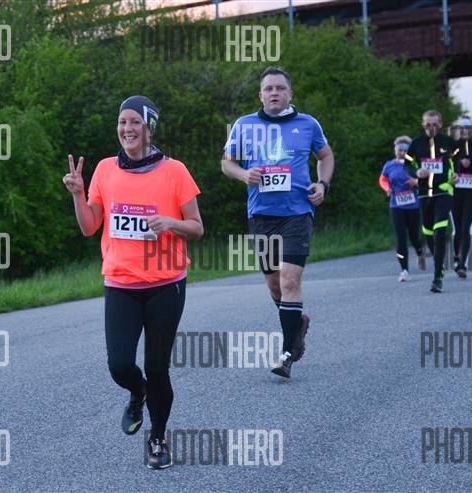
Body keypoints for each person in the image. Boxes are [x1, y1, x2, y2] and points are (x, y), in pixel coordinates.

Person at [63, 95, 203, 469]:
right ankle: (137, 392)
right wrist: (78, 194)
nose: (127, 129)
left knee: (157, 369)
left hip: (165, 284)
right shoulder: (105, 170)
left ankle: (157, 438)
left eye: (135, 122)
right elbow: (89, 227)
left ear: (149, 128)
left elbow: (197, 227)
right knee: (120, 365)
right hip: (121, 283)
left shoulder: (175, 171)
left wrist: (171, 223)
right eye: (122, 122)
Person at [221, 66, 335, 379]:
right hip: (261, 215)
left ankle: (286, 354)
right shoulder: (244, 125)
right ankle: (297, 323)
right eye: (269, 89)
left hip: (297, 212)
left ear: (290, 93)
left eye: (280, 88)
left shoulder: (308, 124)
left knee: (290, 280)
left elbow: (326, 156)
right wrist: (244, 174)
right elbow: (227, 163)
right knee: (274, 283)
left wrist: (322, 184)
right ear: (260, 95)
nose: (274, 93)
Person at [405, 110, 459, 293]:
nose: (431, 128)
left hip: (443, 191)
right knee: (428, 233)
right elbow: (406, 165)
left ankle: (437, 277)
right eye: (428, 124)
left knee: (439, 231)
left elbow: (458, 159)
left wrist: (457, 174)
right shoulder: (416, 144)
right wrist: (416, 172)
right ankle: (439, 262)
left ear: (441, 124)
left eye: (435, 124)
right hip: (423, 194)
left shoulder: (448, 142)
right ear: (423, 125)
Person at [379, 135, 425, 282]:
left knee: (414, 236)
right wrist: (387, 188)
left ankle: (420, 252)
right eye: (399, 150)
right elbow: (383, 179)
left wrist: (416, 182)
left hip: (413, 205)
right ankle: (404, 270)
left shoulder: (415, 164)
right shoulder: (389, 165)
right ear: (395, 150)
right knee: (401, 238)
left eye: (405, 150)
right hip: (396, 205)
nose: (402, 153)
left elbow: (427, 179)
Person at [450, 116, 472, 277]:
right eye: (462, 128)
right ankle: (456, 258)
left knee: (466, 228)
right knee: (457, 229)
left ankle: (463, 264)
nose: (465, 131)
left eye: (468, 128)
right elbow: (445, 165)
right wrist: (459, 164)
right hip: (455, 191)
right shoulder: (452, 146)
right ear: (458, 129)